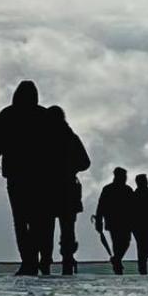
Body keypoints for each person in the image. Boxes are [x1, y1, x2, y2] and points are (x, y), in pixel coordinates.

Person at [0, 80, 58, 275]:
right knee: (38, 220)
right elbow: (57, 145)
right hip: (41, 177)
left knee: (21, 220)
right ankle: (37, 259)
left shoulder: (8, 114)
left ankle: (29, 260)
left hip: (18, 175)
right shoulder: (42, 115)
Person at [45, 103, 92, 274]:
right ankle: (67, 258)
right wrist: (71, 168)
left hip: (47, 188)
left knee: (45, 226)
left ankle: (45, 260)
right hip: (67, 188)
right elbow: (85, 162)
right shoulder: (70, 137)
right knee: (67, 228)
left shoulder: (42, 138)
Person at [94, 167, 136, 275]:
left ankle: (116, 259)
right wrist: (99, 220)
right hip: (115, 221)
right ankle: (117, 261)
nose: (125, 178)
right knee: (118, 243)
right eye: (123, 176)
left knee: (125, 242)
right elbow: (101, 206)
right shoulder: (108, 189)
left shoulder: (127, 189)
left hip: (125, 221)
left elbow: (134, 207)